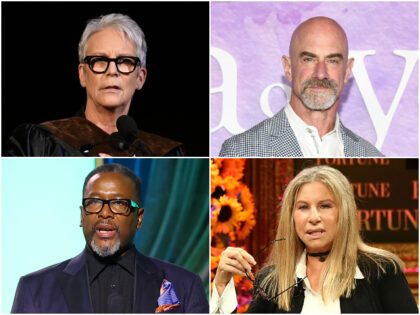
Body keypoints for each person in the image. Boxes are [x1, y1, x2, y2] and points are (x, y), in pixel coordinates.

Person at [211, 165, 417, 313]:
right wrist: (221, 283)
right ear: (291, 217)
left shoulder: (381, 270)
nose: (313, 218)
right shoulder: (272, 280)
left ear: (344, 213)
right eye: (303, 207)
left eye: (325, 206)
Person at [11, 163, 208, 313]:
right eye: (95, 202)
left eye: (119, 203)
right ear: (82, 215)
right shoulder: (35, 288)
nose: (105, 213)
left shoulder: (184, 284)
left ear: (138, 218)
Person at [6, 13, 183, 157]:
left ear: (140, 78)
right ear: (82, 74)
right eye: (99, 60)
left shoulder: (164, 154)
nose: (112, 71)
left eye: (125, 61)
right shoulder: (40, 142)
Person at [219, 17, 383, 157]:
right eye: (309, 59)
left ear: (347, 70)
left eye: (332, 61)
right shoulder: (240, 150)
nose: (320, 74)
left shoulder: (371, 156)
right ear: (288, 67)